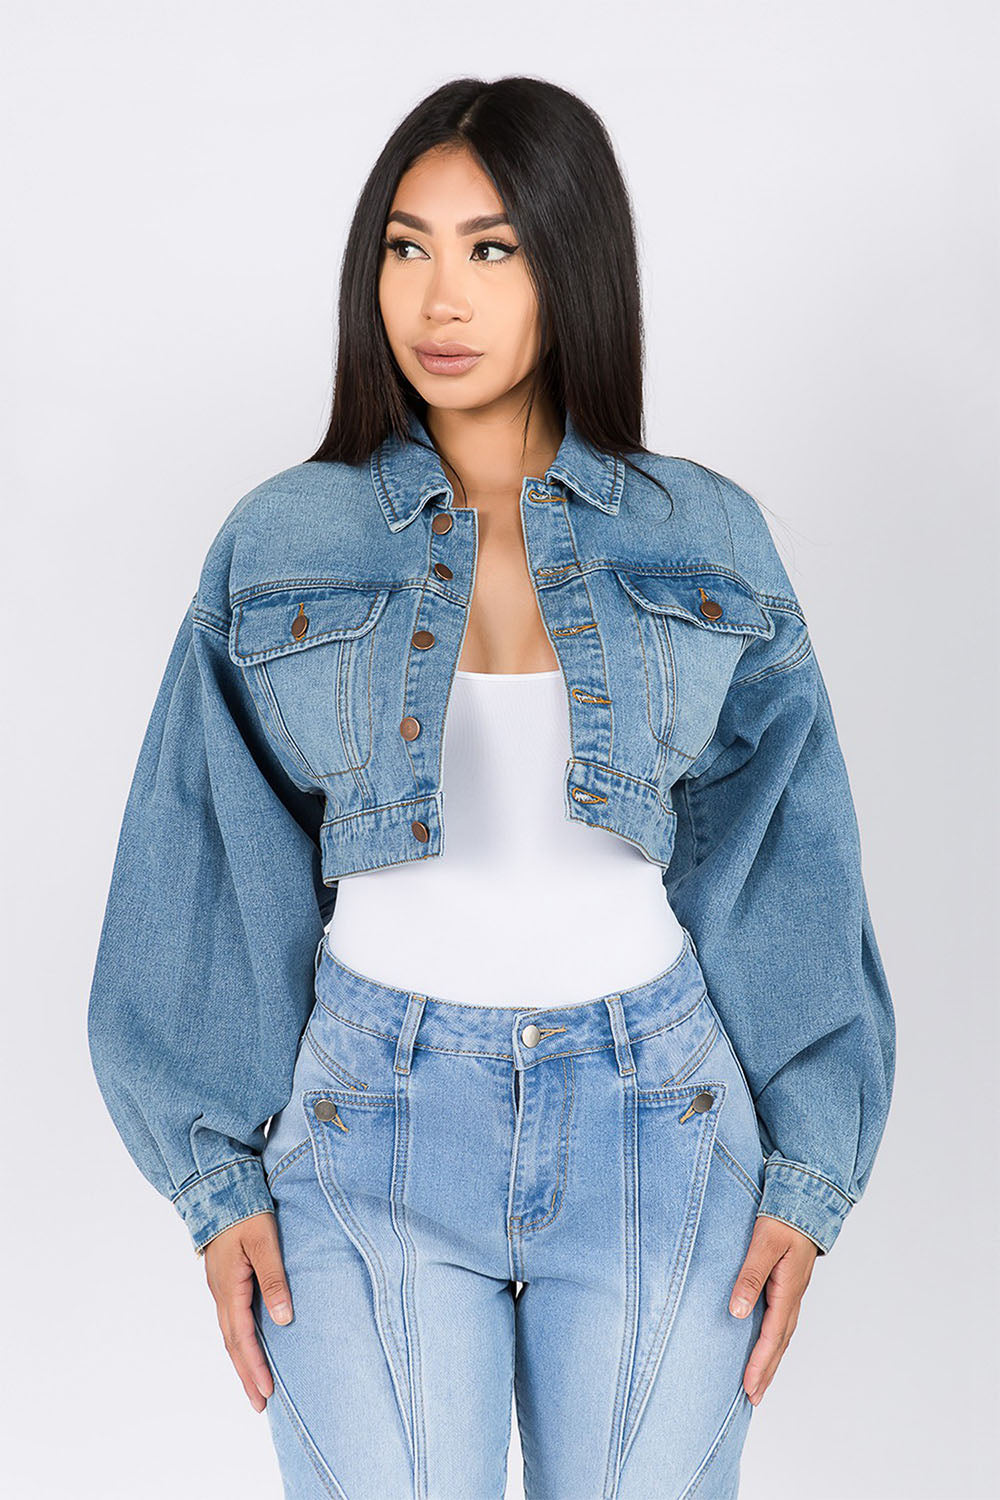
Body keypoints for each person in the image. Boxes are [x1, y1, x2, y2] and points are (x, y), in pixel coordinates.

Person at [87, 76, 896, 1500]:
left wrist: (812, 1171)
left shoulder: (706, 536)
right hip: (367, 1129)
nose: (438, 296)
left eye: (492, 248)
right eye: (406, 247)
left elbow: (782, 855)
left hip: (661, 1127)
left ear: (571, 263)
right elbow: (208, 852)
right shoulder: (283, 541)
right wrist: (213, 1180)